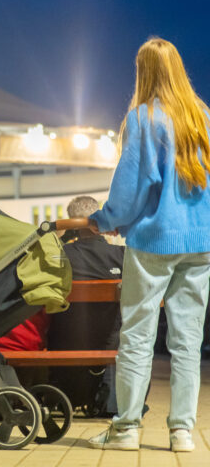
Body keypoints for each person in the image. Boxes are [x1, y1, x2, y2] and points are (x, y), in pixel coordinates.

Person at [87, 38, 210, 453]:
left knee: (138, 336)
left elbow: (131, 190)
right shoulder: (204, 117)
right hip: (201, 244)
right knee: (187, 341)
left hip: (155, 241)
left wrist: (104, 221)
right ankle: (182, 433)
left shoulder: (144, 119)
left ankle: (126, 430)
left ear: (144, 72)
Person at [47, 195, 124, 414]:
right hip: (110, 346)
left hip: (67, 347)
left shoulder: (61, 257)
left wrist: (63, 237)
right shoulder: (121, 256)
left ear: (73, 224)